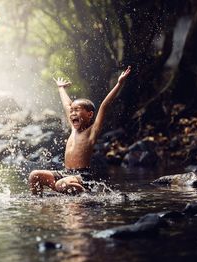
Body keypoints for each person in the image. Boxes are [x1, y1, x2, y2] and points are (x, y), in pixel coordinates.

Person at [29, 66, 132, 196]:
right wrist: (61, 88)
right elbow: (67, 104)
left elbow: (104, 105)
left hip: (82, 176)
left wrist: (119, 84)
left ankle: (86, 197)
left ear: (89, 115)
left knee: (61, 184)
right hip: (66, 173)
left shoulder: (92, 131)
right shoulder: (73, 128)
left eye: (77, 110)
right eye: (71, 111)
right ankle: (38, 203)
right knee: (35, 175)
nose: (72, 113)